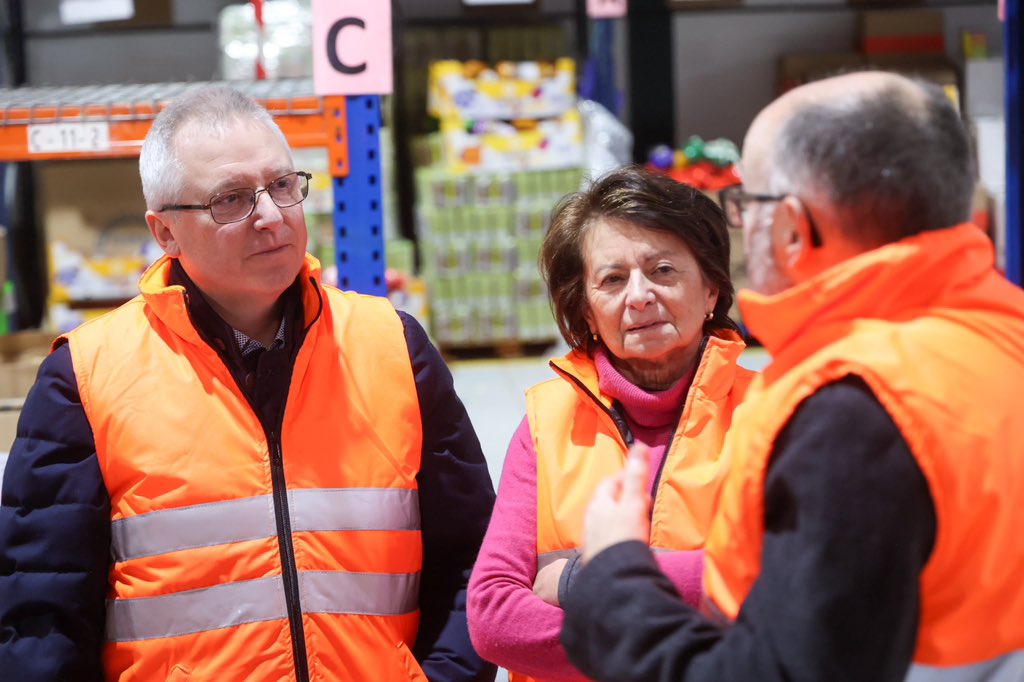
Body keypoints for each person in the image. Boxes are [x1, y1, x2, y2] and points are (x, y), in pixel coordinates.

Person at [0, 85, 497, 682]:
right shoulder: (86, 378)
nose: (271, 216)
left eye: (282, 185)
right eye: (230, 199)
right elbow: (41, 620)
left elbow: (474, 559)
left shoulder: (392, 347)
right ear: (165, 232)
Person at [560, 71, 1024, 681]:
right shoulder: (1002, 337)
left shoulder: (854, 412)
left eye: (745, 202)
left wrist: (614, 572)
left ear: (789, 228)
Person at [467, 165, 756, 681]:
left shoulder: (771, 412)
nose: (639, 295)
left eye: (663, 270)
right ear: (587, 311)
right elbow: (494, 618)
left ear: (711, 290)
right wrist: (695, 608)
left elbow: (784, 583)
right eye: (613, 279)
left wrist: (585, 578)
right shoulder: (546, 425)